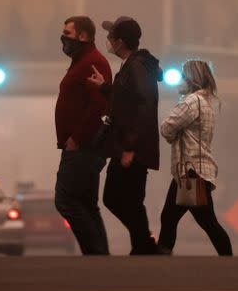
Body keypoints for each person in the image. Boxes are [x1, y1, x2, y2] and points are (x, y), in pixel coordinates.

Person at [87, 16, 163, 255]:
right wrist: (105, 87)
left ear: (120, 42)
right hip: (130, 145)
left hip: (132, 147)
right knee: (130, 199)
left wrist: (130, 146)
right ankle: (142, 245)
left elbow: (143, 105)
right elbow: (127, 99)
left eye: (110, 37)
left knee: (115, 197)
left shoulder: (137, 67)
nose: (107, 41)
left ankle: (144, 243)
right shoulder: (133, 65)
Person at [157, 60, 233, 256]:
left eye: (183, 75)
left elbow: (166, 127)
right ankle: (161, 258)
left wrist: (173, 134)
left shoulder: (191, 102)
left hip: (191, 172)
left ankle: (161, 260)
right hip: (197, 170)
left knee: (203, 222)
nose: (180, 80)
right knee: (177, 218)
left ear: (193, 79)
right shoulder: (205, 103)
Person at [54, 16, 113, 255]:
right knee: (87, 204)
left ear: (83, 36)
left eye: (67, 33)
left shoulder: (91, 62)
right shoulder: (82, 60)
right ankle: (100, 257)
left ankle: (94, 252)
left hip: (83, 148)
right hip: (84, 147)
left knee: (66, 201)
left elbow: (98, 106)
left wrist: (75, 139)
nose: (63, 37)